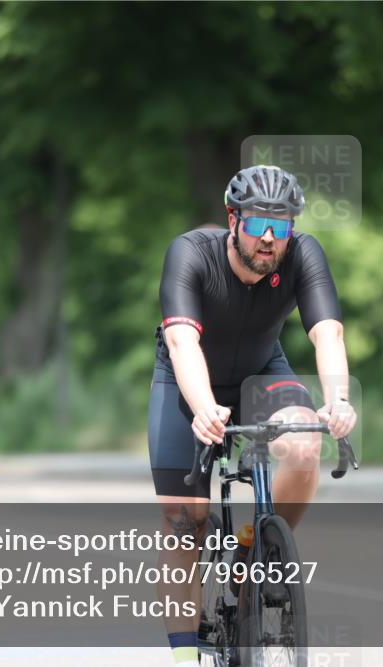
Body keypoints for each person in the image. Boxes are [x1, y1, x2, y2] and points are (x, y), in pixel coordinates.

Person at [148, 165, 357, 666]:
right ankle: (183, 656)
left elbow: (327, 333)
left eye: (281, 225)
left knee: (305, 443)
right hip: (187, 378)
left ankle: (251, 551)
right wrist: (201, 409)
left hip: (263, 372)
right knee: (184, 521)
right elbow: (181, 340)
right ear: (233, 219)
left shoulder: (304, 255)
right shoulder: (191, 253)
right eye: (258, 223)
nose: (269, 237)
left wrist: (338, 400)